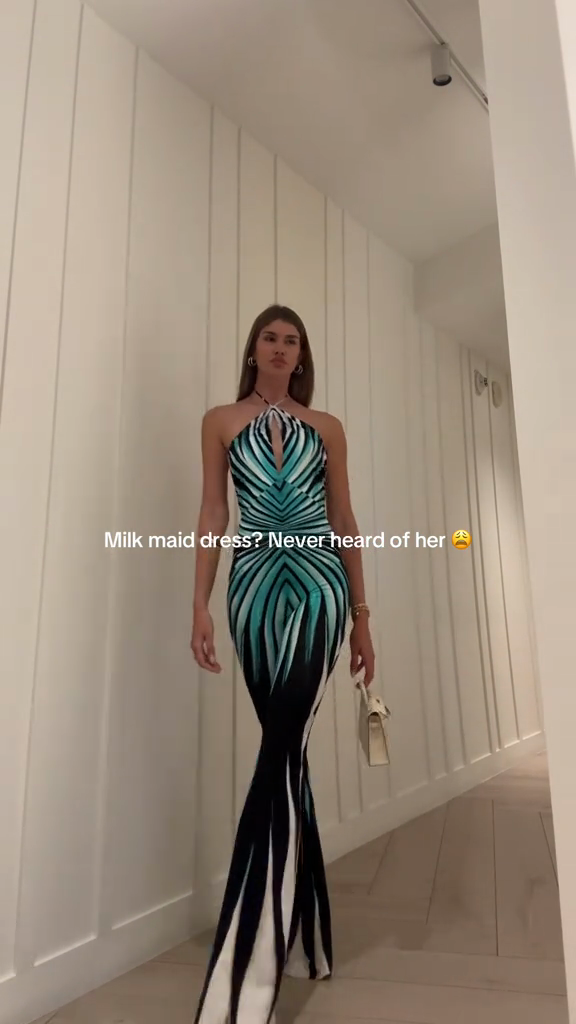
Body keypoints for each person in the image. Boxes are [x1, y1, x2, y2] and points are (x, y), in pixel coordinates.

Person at [190, 304, 375, 1024]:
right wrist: (200, 605)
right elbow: (213, 513)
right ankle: (306, 941)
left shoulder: (327, 427)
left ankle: (249, 965)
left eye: (290, 340)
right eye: (269, 337)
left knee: (282, 744)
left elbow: (344, 519)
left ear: (301, 356)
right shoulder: (219, 421)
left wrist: (362, 617)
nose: (278, 347)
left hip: (322, 586)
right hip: (252, 589)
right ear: (253, 349)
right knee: (287, 752)